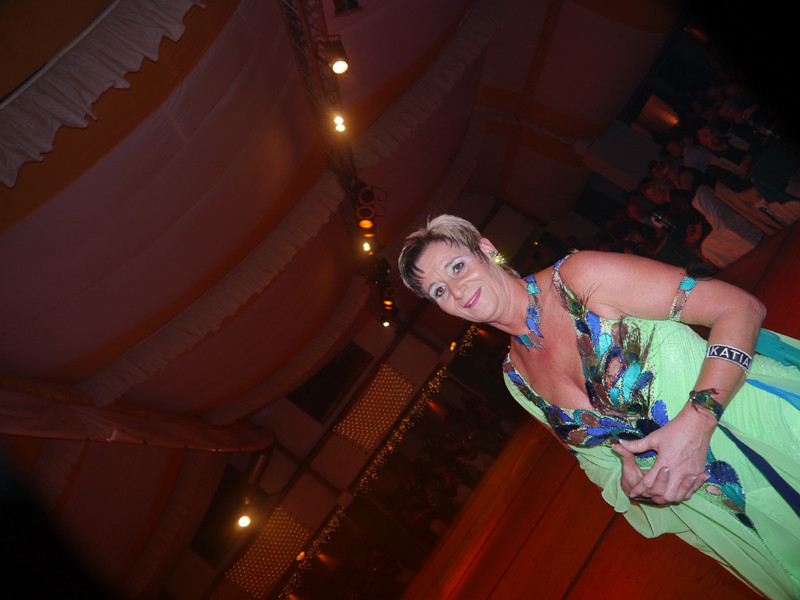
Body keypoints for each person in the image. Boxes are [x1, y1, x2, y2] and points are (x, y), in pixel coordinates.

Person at [398, 214, 800, 599]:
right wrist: (632, 483)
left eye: (457, 267)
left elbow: (738, 308)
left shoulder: (578, 279)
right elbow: (596, 463)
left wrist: (698, 420)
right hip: (714, 510)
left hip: (763, 433)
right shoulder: (515, 379)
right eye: (438, 291)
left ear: (486, 250)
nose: (456, 290)